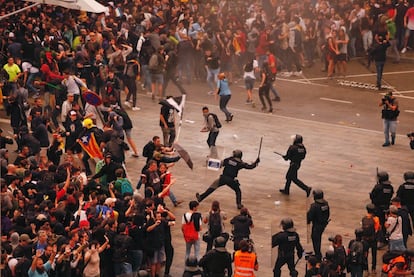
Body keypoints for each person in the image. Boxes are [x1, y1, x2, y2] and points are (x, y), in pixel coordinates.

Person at [195, 150, 260, 209]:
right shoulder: (240, 163)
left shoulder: (228, 159)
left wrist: (209, 163)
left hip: (223, 178)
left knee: (212, 187)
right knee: (238, 191)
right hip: (231, 180)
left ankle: (201, 197)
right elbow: (250, 167)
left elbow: (220, 164)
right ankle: (239, 204)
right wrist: (256, 162)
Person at [370, 170, 394, 245]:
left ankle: (380, 239)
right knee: (384, 223)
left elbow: (372, 196)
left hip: (378, 208)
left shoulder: (378, 187)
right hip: (386, 207)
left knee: (378, 223)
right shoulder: (390, 187)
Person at [307, 189, 330, 261]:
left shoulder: (314, 206)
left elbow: (310, 216)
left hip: (317, 225)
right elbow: (328, 214)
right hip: (323, 224)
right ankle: (318, 253)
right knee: (318, 238)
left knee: (315, 238)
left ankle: (318, 255)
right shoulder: (325, 203)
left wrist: (308, 221)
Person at [361, 203, 380, 274]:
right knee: (374, 254)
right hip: (373, 239)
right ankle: (373, 268)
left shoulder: (364, 218)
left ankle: (366, 269)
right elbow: (377, 229)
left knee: (365, 254)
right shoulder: (376, 219)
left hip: (365, 239)